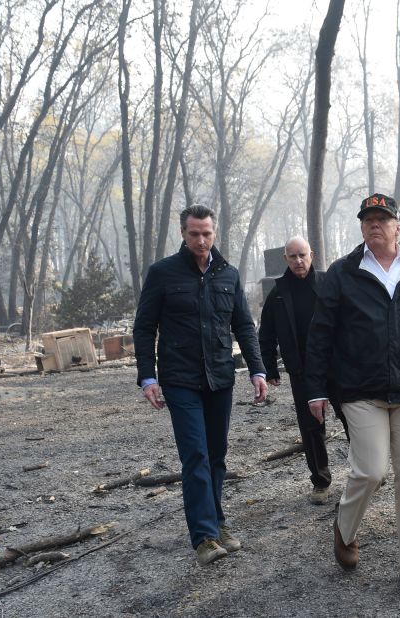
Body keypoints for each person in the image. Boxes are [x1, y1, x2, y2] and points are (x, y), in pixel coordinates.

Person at [306, 193, 400, 598]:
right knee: (371, 470)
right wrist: (316, 390)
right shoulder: (343, 272)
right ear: (362, 227)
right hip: (359, 388)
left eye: (382, 218)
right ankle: (345, 528)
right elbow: (320, 334)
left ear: (398, 226)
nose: (375, 224)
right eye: (368, 219)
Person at [133, 205, 268, 565]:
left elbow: (243, 326)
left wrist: (257, 370)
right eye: (194, 233)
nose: (201, 240)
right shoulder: (163, 273)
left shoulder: (228, 274)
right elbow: (145, 327)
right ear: (183, 233)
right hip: (180, 380)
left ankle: (218, 522)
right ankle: (204, 536)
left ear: (215, 233)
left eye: (207, 233)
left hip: (220, 377)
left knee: (217, 456)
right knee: (195, 455)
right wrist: (147, 376)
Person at [258, 236, 346, 505]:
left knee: (353, 418)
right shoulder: (278, 293)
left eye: (302, 255)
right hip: (302, 370)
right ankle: (321, 482)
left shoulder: (328, 284)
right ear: (285, 259)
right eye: (293, 256)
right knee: (311, 427)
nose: (298, 261)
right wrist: (270, 367)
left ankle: (366, 472)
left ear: (312, 255)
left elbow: (349, 323)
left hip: (336, 366)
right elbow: (267, 334)